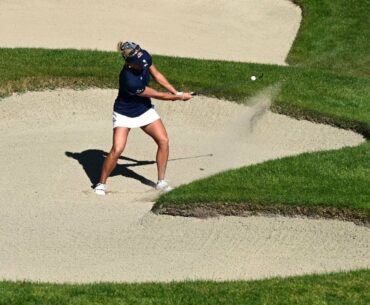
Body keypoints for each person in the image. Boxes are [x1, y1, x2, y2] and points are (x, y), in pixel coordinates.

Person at [94, 41, 193, 195]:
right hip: (124, 113)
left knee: (163, 141)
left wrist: (176, 92)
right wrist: (178, 98)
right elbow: (157, 94)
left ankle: (161, 182)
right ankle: (101, 183)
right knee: (117, 149)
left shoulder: (144, 56)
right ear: (130, 63)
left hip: (144, 109)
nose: (143, 63)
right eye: (139, 62)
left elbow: (157, 75)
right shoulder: (128, 79)